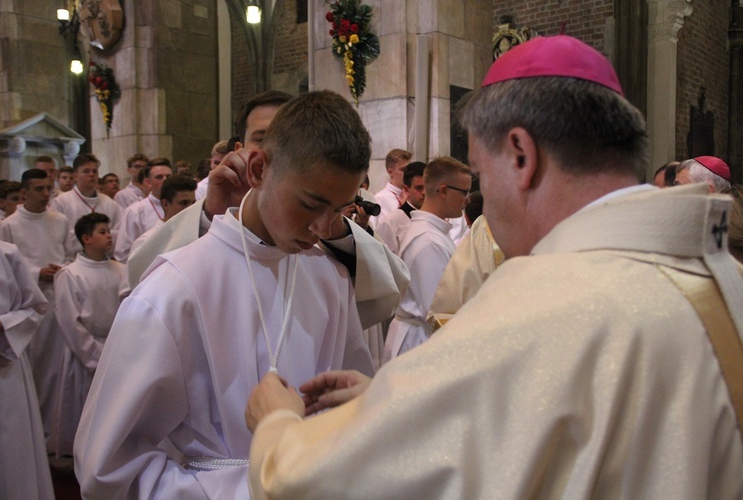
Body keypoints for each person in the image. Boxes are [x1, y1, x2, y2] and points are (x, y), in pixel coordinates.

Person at [245, 35, 743, 499]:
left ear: (522, 156)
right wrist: (389, 404)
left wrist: (278, 428)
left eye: (481, 176)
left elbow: (305, 480)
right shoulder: (719, 273)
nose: (479, 204)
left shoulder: (543, 298)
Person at [75, 90, 378, 498]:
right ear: (257, 168)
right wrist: (254, 486)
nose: (324, 229)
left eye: (340, 210)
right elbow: (106, 467)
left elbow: (353, 404)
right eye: (310, 204)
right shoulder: (173, 290)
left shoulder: (329, 277)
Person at [126, 92, 408, 342]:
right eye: (262, 138)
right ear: (244, 153)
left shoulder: (325, 227)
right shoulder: (204, 217)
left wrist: (334, 225)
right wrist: (210, 214)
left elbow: (385, 293)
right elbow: (146, 287)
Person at [0, 168, 70, 447]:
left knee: (55, 369)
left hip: (56, 299)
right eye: (39, 189)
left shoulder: (60, 220)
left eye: (48, 188)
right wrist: (38, 271)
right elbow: (5, 269)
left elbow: (71, 254)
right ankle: (33, 427)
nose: (45, 194)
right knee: (35, 366)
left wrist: (62, 268)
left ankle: (53, 431)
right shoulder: (10, 225)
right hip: (24, 305)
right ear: (24, 193)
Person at [51, 213, 129, 457]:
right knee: (83, 413)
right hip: (84, 354)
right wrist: (95, 356)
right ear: (86, 238)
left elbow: (129, 309)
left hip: (117, 349)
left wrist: (119, 348)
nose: (109, 236)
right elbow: (69, 321)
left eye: (109, 231)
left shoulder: (121, 269)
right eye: (102, 232)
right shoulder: (69, 274)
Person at [383, 156, 472, 361]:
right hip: (417, 343)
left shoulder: (434, 232)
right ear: (443, 191)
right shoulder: (428, 241)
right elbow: (438, 310)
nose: (467, 199)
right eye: (464, 192)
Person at [0, 239, 54, 499]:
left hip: (2, 368)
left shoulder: (4, 253)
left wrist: (2, 324)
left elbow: (35, 307)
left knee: (7, 454)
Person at [51, 153, 123, 259]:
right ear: (75, 176)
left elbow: (120, 234)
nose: (91, 174)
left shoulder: (109, 203)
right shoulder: (61, 202)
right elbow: (57, 237)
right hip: (73, 261)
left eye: (94, 171)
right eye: (86, 171)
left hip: (104, 260)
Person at [113, 159, 173, 262]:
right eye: (159, 177)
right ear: (148, 182)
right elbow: (123, 253)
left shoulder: (182, 206)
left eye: (168, 177)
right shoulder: (135, 211)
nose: (165, 180)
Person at [129, 174, 197, 256]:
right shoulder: (146, 243)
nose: (191, 208)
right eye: (184, 203)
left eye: (193, 203)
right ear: (165, 204)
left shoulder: (196, 236)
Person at [375, 161, 426, 255]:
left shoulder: (435, 218)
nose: (424, 192)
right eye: (419, 188)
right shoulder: (390, 222)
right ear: (406, 189)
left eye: (427, 187)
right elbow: (384, 261)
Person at [373, 148, 412, 224]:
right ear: (390, 172)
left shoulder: (413, 194)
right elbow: (382, 231)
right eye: (403, 170)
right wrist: (403, 208)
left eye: (409, 169)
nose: (408, 173)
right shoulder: (380, 198)